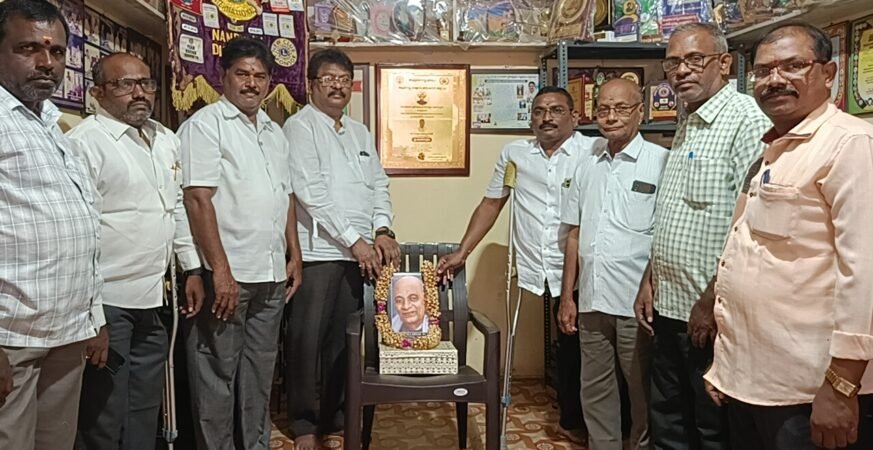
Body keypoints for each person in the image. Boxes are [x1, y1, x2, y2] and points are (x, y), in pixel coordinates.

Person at [703, 23, 873, 450]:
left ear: (829, 73)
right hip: (758, 381)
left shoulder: (850, 145)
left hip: (812, 392)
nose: (775, 79)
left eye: (794, 66)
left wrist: (841, 387)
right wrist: (727, 365)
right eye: (764, 71)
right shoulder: (777, 148)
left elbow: (865, 276)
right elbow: (750, 258)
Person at [631, 22, 771, 450]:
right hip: (670, 307)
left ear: (724, 63)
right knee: (669, 423)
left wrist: (712, 301)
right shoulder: (688, 120)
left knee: (712, 430)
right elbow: (673, 212)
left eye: (695, 59)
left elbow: (752, 225)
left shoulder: (747, 121)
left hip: (711, 316)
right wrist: (650, 278)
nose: (681, 71)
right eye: (673, 63)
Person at [437, 86, 598, 444]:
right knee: (567, 340)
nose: (547, 117)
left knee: (586, 346)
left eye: (556, 110)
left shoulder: (593, 150)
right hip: (539, 261)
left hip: (585, 263)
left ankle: (593, 421)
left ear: (574, 117)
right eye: (539, 111)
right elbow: (492, 204)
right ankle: (571, 418)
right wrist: (463, 251)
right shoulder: (515, 154)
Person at [66, 53, 205, 450]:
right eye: (124, 84)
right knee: (104, 412)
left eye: (146, 83)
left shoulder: (165, 138)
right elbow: (82, 233)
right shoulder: (84, 144)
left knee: (145, 408)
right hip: (107, 301)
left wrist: (191, 268)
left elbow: (174, 207)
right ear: (97, 93)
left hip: (154, 298)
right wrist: (94, 318)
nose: (139, 93)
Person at [178, 37, 302, 450]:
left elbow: (284, 195)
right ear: (223, 76)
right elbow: (197, 200)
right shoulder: (204, 126)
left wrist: (294, 253)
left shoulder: (274, 131)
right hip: (227, 277)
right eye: (242, 74)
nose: (251, 83)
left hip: (270, 274)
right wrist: (220, 271)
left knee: (259, 373)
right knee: (216, 374)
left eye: (259, 76)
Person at [0, 1, 105, 449]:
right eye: (28, 48)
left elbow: (85, 223)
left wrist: (94, 317)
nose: (47, 62)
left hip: (66, 332)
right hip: (11, 338)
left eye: (57, 52)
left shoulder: (49, 122)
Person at [283, 48, 399, 450]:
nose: (337, 86)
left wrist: (382, 230)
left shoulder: (359, 131)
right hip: (319, 254)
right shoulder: (299, 128)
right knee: (307, 341)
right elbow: (311, 193)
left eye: (343, 79)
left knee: (343, 341)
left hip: (359, 254)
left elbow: (379, 184)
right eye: (328, 78)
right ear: (311, 84)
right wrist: (355, 240)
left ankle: (335, 418)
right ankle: (303, 422)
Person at [559, 78, 668, 450]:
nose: (611, 116)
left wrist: (650, 286)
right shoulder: (587, 163)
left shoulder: (660, 161)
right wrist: (568, 297)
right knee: (595, 387)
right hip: (592, 298)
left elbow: (665, 234)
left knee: (641, 388)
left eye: (621, 108)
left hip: (635, 302)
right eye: (603, 109)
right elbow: (574, 233)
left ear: (641, 111)